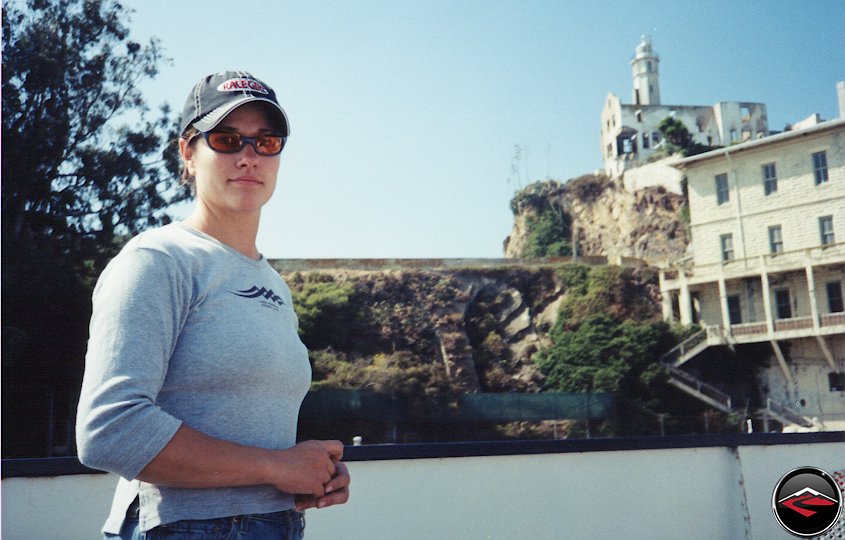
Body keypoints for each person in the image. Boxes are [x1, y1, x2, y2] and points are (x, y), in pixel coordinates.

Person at [76, 71, 350, 539]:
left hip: (275, 524)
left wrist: (308, 472)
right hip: (183, 529)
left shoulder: (271, 283)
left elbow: (255, 434)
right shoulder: (158, 259)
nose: (249, 156)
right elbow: (110, 430)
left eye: (266, 142)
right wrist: (273, 466)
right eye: (226, 139)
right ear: (188, 151)